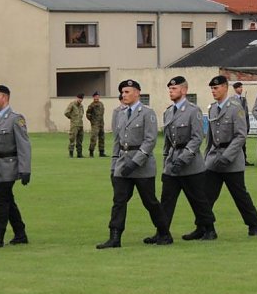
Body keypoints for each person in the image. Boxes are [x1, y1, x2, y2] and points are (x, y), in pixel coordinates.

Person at [96, 79, 167, 249]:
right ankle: (115, 237)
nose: (124, 95)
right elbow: (117, 141)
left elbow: (150, 141)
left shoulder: (147, 113)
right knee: (119, 201)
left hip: (142, 166)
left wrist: (135, 163)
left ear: (137, 93)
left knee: (150, 202)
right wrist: (114, 166)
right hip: (122, 164)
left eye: (127, 92)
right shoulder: (120, 113)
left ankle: (164, 233)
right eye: (122, 92)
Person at [158, 76, 214, 243]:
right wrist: (166, 164)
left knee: (198, 200)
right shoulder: (168, 112)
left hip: (190, 164)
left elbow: (197, 138)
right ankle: (162, 232)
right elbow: (167, 142)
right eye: (170, 89)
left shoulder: (193, 111)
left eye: (174, 89)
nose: (171, 92)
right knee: (166, 200)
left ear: (184, 90)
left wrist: (183, 159)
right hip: (172, 162)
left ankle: (208, 229)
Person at [204, 75, 257, 236]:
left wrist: (227, 156)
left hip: (232, 160)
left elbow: (240, 135)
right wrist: (206, 157)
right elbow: (210, 137)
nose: (213, 91)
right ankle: (206, 228)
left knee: (240, 195)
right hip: (214, 159)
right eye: (212, 88)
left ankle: (253, 225)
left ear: (225, 87)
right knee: (206, 197)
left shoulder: (235, 108)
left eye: (216, 88)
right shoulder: (212, 108)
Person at [0, 85, 32, 248]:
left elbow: (24, 145)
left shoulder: (15, 119)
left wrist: (25, 169)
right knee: (8, 201)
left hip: (8, 166)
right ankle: (20, 233)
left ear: (5, 97)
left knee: (1, 201)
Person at [86, 91, 106, 157]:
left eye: (98, 96)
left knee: (102, 138)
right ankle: (91, 152)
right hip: (95, 124)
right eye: (95, 96)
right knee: (93, 138)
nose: (97, 98)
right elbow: (88, 114)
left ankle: (101, 152)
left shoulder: (101, 104)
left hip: (101, 123)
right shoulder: (91, 105)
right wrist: (92, 121)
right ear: (93, 97)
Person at [64, 93, 85, 158]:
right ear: (77, 98)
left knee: (80, 140)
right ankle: (71, 153)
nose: (80, 100)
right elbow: (66, 112)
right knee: (72, 139)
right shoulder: (72, 104)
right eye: (79, 98)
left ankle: (79, 154)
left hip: (80, 125)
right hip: (74, 125)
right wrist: (72, 118)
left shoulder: (81, 106)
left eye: (81, 99)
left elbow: (82, 114)